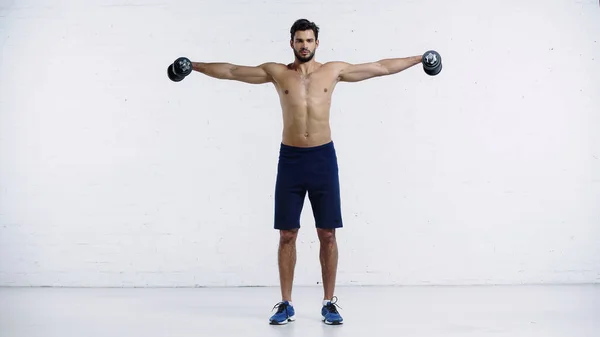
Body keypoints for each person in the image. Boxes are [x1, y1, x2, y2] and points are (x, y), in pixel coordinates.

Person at [169, 19, 434, 325]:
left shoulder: (333, 71)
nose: (304, 45)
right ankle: (285, 303)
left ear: (317, 43)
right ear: (291, 43)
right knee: (287, 235)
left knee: (328, 235)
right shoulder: (278, 73)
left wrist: (418, 59)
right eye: (299, 40)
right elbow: (232, 71)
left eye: (309, 40)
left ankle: (329, 303)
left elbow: (380, 67)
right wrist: (194, 65)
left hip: (323, 159)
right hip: (291, 160)